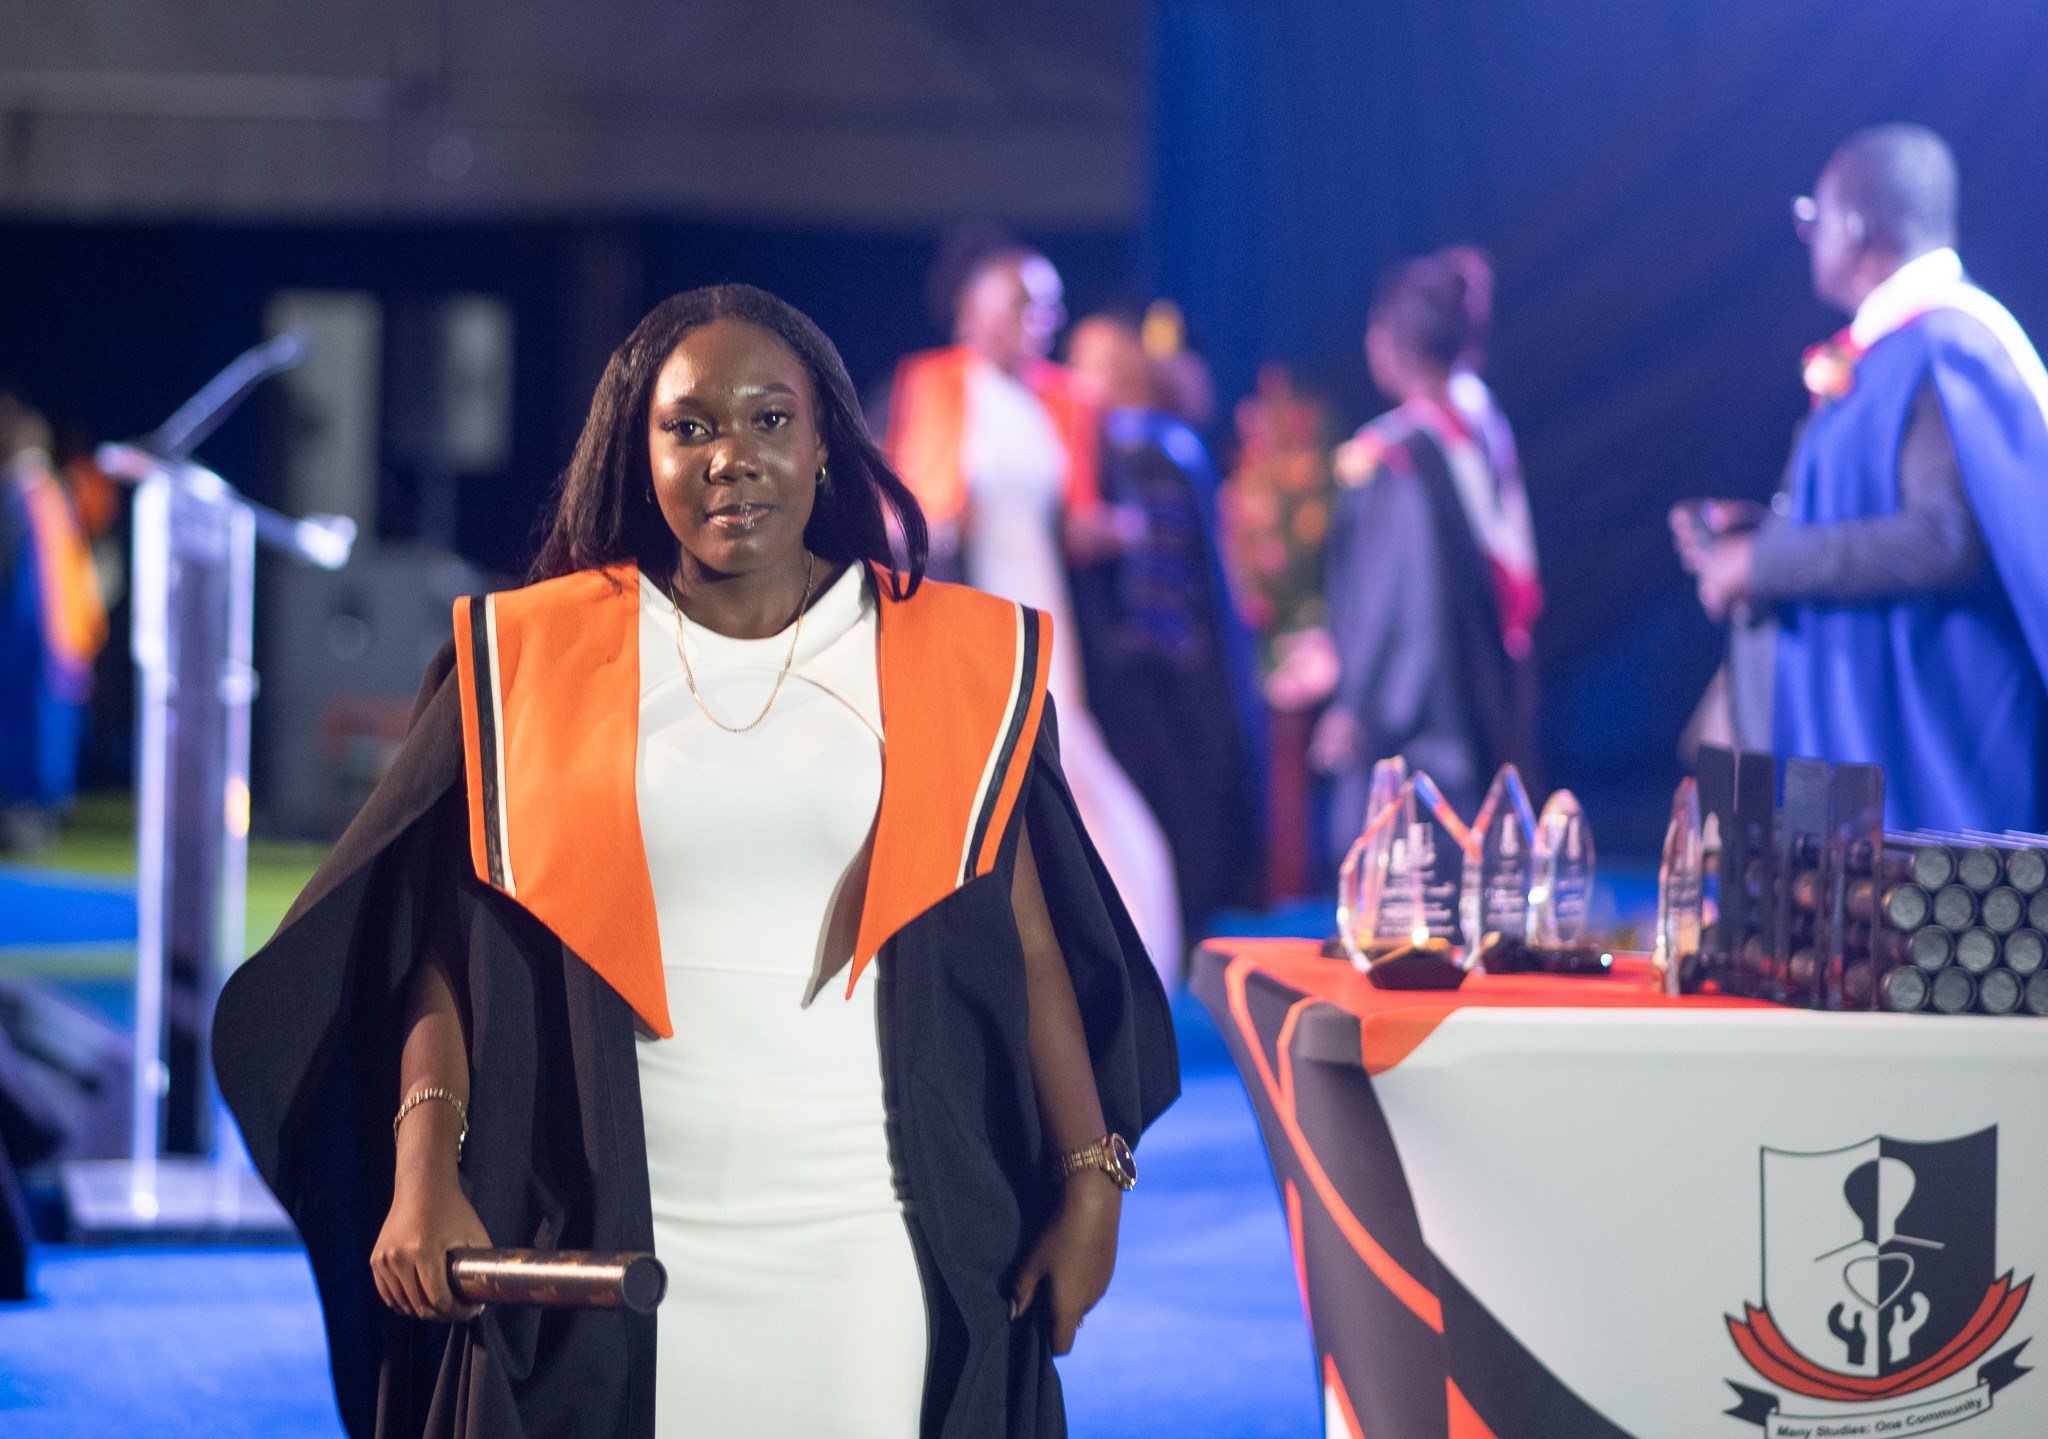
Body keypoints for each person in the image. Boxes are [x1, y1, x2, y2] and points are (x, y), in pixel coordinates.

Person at [213, 285, 1178, 1439]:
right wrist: (424, 1164)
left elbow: (1028, 944)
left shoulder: (948, 653)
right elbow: (453, 951)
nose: (732, 456)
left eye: (770, 418)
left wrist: (1089, 1178)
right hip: (612, 1243)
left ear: (825, 443)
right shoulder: (531, 659)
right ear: (641, 451)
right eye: (690, 426)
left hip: (876, 1250)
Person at [1673, 125, 2048, 831]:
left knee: (1918, 908)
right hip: (1858, 743)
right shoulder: (1892, 349)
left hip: (1932, 763)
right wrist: (1764, 533)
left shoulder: (1951, 344)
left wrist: (1760, 562)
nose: (1807, 235)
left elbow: (1944, 536)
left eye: (1813, 216)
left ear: (1853, 228)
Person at [884, 248, 1185, 983]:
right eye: (1021, 304)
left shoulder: (1068, 401)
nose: (1038, 321)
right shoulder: (935, 384)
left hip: (1048, 603)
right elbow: (905, 509)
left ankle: (1104, 934)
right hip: (969, 600)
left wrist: (1114, 530)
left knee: (1062, 753)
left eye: (1046, 307)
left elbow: (1085, 519)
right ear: (976, 312)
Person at [1282, 255, 1543, 857]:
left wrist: (1353, 705)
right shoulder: (1481, 426)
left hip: (1414, 724)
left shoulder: (1390, 458)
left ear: (1388, 343)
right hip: (1481, 698)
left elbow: (1386, 599)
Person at [1064, 311, 1265, 935]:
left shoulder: (1136, 448)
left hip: (1150, 681)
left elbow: (1160, 587)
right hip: (1188, 672)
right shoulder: (1176, 445)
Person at [0, 396, 108, 853]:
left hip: (31, 642)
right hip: (56, 643)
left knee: (29, 735)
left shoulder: (25, 497)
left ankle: (27, 819)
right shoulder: (53, 495)